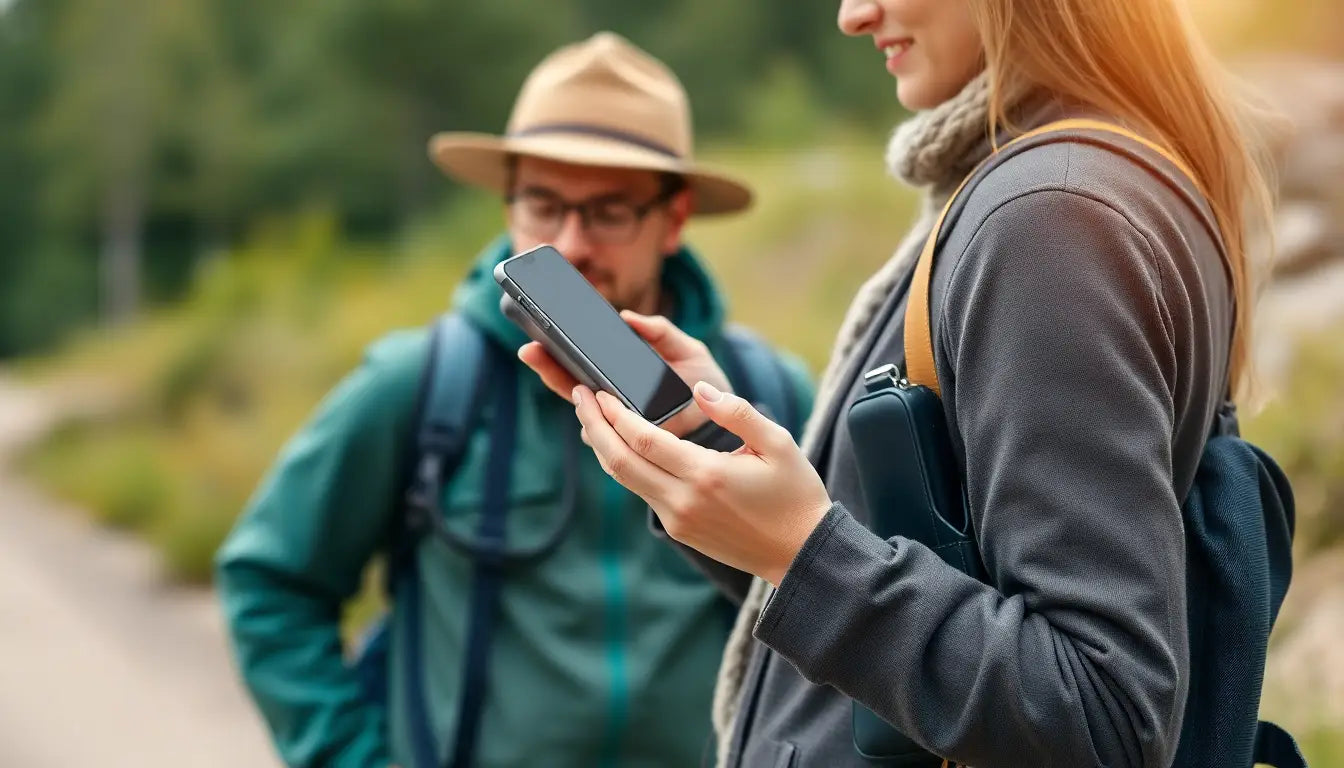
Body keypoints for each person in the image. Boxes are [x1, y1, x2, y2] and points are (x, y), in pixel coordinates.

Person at [522, 1, 1284, 766]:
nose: (854, 15)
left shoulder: (1049, 218)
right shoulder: (1069, 185)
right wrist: (717, 449)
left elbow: (1099, 716)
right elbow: (938, 556)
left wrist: (803, 553)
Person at [215, 32, 814, 768]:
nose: (570, 245)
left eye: (610, 211)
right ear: (507, 203)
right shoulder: (420, 383)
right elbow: (270, 583)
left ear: (676, 217)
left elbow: (835, 618)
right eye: (542, 204)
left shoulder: (767, 400)